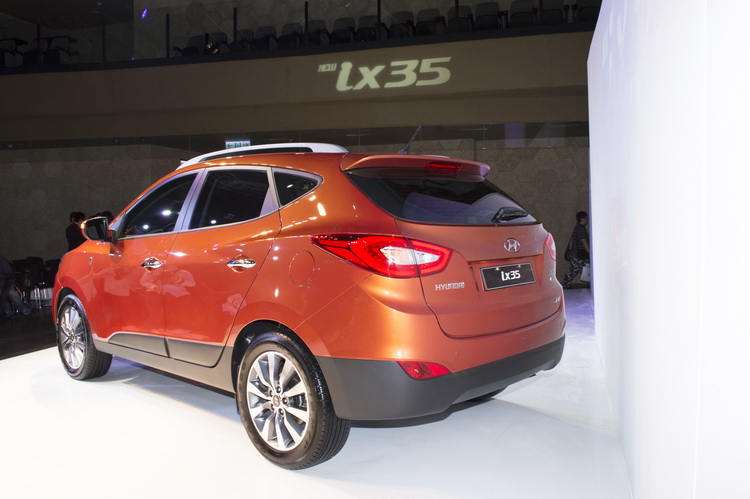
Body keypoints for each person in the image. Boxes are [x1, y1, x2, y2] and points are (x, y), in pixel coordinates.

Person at [562, 211, 590, 288]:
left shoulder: (578, 227)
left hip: (576, 254)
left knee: (576, 269)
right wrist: (589, 251)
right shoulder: (580, 228)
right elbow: (583, 241)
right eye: (586, 218)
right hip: (578, 254)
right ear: (582, 219)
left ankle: (565, 284)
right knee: (579, 269)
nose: (587, 219)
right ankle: (565, 284)